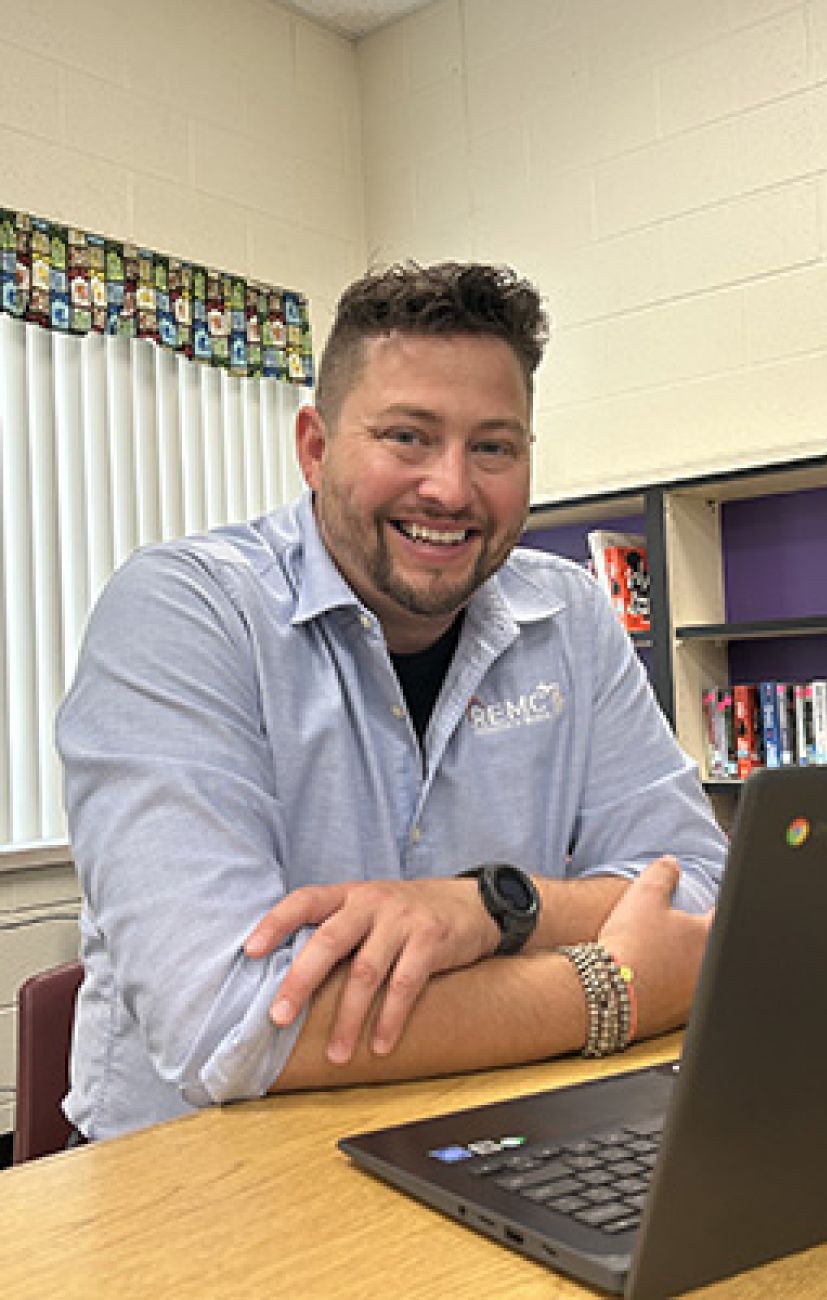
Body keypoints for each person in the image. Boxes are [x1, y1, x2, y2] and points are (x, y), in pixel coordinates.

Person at [57, 262, 728, 1142]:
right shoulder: (185, 613)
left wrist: (493, 910)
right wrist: (610, 987)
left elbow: (701, 896)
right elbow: (228, 1025)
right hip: (199, 1183)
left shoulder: (568, 613)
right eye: (408, 437)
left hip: (492, 1135)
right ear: (316, 447)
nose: (451, 489)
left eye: (493, 447)